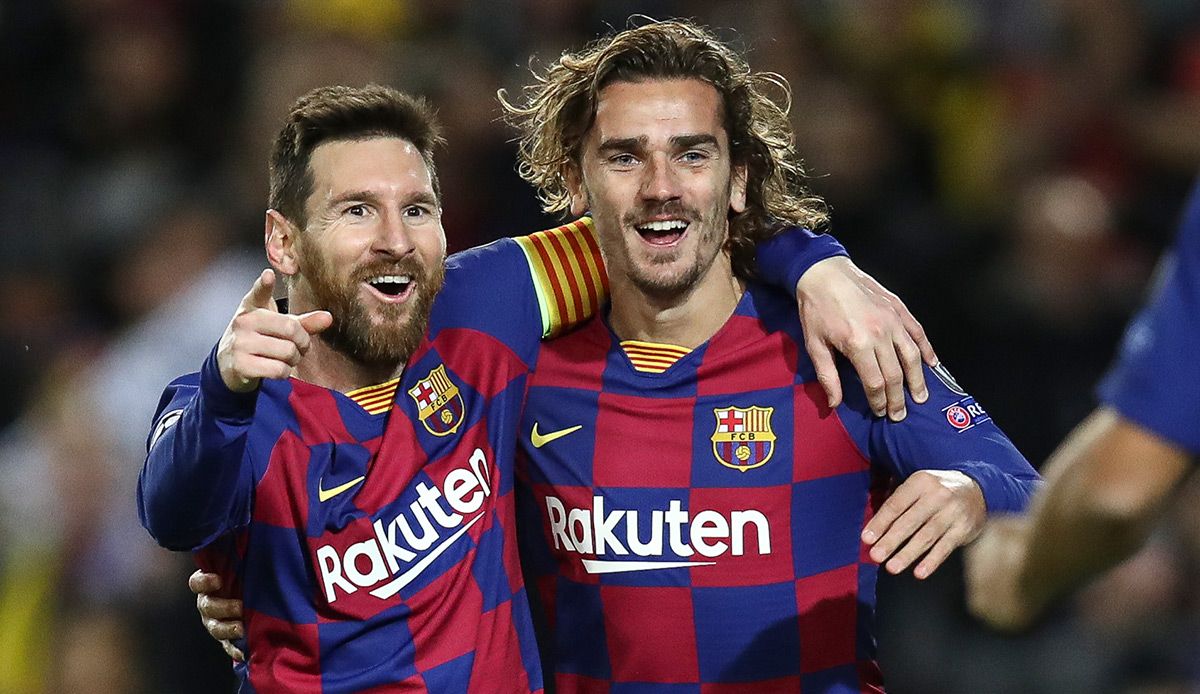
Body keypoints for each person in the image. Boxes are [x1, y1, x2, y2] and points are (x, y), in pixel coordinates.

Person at [142, 82, 938, 691]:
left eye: (416, 208)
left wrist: (816, 263)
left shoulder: (485, 308)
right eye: (357, 210)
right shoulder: (235, 404)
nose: (394, 240)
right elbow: (172, 510)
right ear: (284, 238)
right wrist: (221, 388)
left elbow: (664, 226)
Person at [492, 20, 1041, 691]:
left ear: (737, 179)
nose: (660, 185)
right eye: (625, 158)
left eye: (692, 155)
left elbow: (1041, 499)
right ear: (577, 183)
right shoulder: (521, 373)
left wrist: (974, 490)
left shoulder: (844, 346)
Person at [966, 178, 1200, 633]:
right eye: (1049, 255)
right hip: (996, 533)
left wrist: (1021, 570)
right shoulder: (970, 334)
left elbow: (1116, 495)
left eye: (1081, 258)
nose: (1063, 274)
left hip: (1094, 557)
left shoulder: (1117, 325)